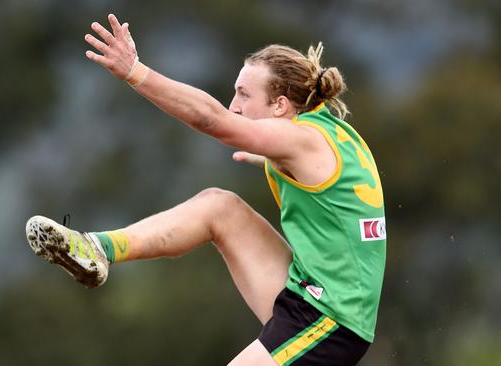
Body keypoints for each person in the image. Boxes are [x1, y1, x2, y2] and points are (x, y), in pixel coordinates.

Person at [25, 13, 386, 366]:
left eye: (244, 94)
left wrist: (135, 72)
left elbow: (214, 120)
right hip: (308, 296)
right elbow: (331, 190)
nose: (234, 106)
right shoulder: (327, 135)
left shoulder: (303, 139)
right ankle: (98, 248)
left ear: (280, 105)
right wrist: (269, 163)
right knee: (219, 207)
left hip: (329, 319)